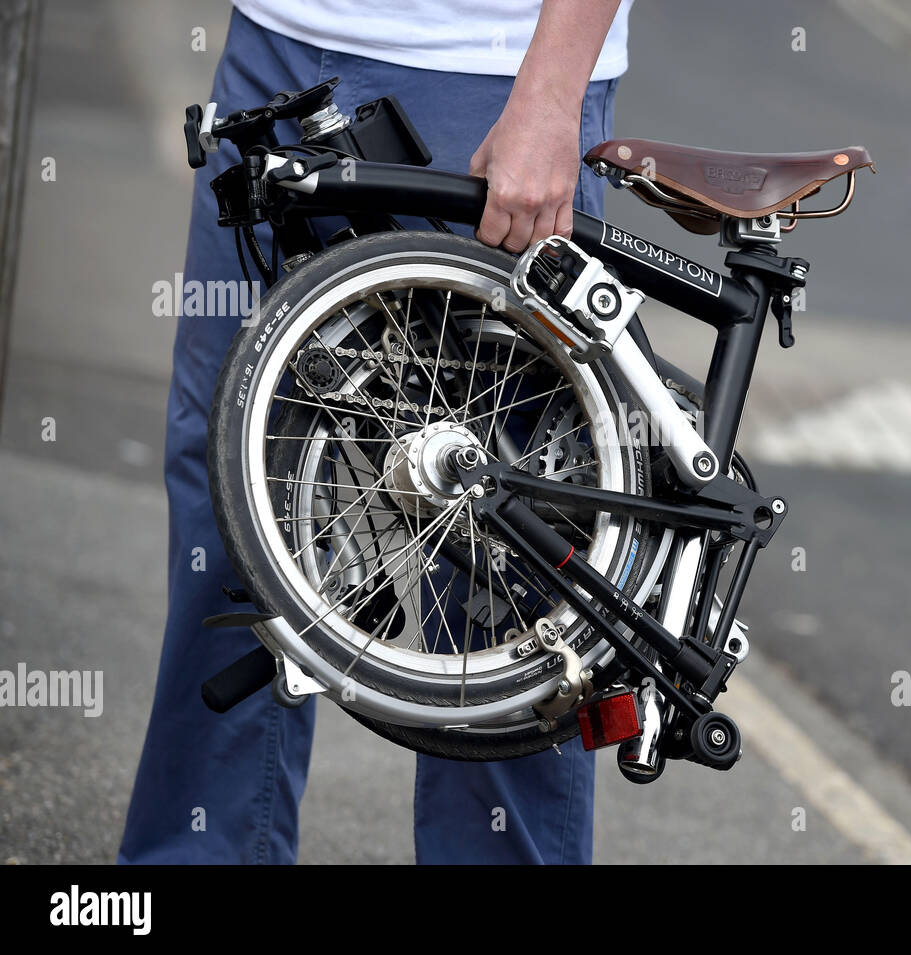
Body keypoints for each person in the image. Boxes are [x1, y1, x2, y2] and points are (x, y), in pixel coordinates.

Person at [119, 0, 632, 865]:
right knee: (229, 494)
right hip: (277, 43)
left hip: (483, 69)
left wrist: (550, 95)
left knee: (495, 550)